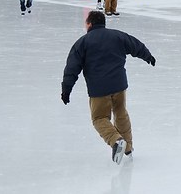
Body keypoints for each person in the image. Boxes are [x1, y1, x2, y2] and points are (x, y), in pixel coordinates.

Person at [61, 10, 156, 164]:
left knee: (99, 118)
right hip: (119, 85)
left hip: (99, 89)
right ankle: (128, 147)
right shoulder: (117, 36)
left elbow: (72, 67)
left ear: (90, 24)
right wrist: (148, 56)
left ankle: (116, 141)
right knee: (120, 113)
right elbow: (135, 45)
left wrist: (66, 89)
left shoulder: (83, 42)